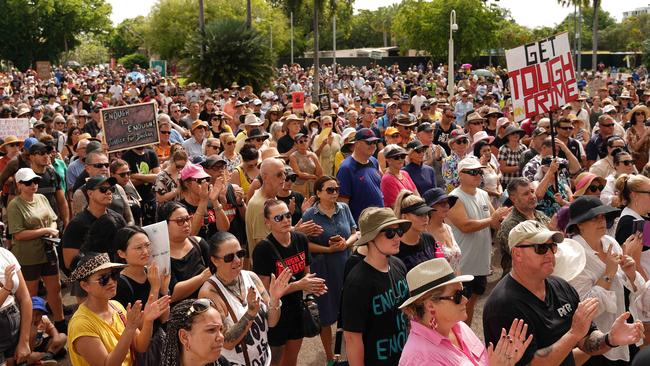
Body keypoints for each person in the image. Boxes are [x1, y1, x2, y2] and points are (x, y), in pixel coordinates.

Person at [484, 220, 645, 366]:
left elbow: (586, 340)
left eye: (552, 246)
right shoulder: (503, 305)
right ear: (517, 254)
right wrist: (574, 334)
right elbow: (532, 363)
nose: (549, 253)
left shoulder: (560, 286)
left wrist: (610, 339)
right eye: (541, 248)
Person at [398, 258, 532, 366]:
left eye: (463, 292)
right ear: (430, 306)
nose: (465, 299)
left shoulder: (459, 327)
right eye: (456, 296)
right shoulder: (420, 358)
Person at [565, 196, 645, 364]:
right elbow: (585, 311)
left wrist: (630, 272)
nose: (601, 221)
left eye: (602, 216)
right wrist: (608, 272)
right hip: (598, 342)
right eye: (594, 218)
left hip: (625, 331)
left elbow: (634, 287)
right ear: (579, 224)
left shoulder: (609, 242)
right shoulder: (574, 255)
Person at [253, 199, 327, 366]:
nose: (286, 220)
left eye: (287, 215)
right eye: (278, 218)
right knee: (274, 361)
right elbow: (265, 292)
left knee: (292, 359)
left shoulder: (300, 239)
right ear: (267, 222)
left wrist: (314, 285)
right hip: (276, 314)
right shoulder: (263, 249)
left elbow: (306, 273)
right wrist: (299, 285)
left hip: (297, 308)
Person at [199, 232, 291, 366]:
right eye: (229, 257)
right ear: (214, 260)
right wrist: (250, 313)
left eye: (240, 254)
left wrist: (275, 300)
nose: (237, 260)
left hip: (264, 360)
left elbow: (272, 322)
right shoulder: (209, 293)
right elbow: (227, 342)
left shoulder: (251, 277)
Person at [66, 252, 170, 366]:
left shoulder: (116, 306)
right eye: (103, 279)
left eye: (114, 275)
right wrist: (130, 328)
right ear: (85, 285)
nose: (111, 282)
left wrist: (148, 321)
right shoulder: (81, 324)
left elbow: (140, 346)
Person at [342, 207, 411, 366]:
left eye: (398, 231)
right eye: (389, 233)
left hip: (404, 358)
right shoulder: (357, 282)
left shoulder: (398, 265)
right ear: (371, 238)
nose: (397, 238)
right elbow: (352, 338)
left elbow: (408, 315)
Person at [446, 157, 510, 325]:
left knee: (471, 302)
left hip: (480, 261)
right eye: (473, 172)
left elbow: (495, 220)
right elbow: (465, 226)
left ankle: (465, 340)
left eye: (479, 171)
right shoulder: (454, 197)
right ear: (460, 174)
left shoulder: (482, 194)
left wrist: (507, 217)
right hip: (464, 264)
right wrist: (492, 220)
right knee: (459, 305)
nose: (478, 175)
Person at [301, 176, 358, 362]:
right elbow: (304, 243)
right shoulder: (310, 215)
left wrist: (345, 244)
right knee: (325, 315)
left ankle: (353, 351)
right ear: (318, 193)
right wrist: (328, 249)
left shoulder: (345, 208)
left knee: (350, 312)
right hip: (323, 268)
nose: (335, 193)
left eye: (336, 189)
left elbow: (354, 232)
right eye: (330, 190)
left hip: (345, 265)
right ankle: (329, 356)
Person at [7, 168, 65, 331]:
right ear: (19, 185)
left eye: (36, 181)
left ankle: (60, 322)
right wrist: (46, 231)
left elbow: (53, 218)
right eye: (28, 182)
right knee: (31, 293)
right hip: (28, 256)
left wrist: (52, 229)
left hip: (48, 251)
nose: (33, 185)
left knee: (55, 287)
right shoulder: (14, 205)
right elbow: (18, 234)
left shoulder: (41, 198)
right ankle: (32, 327)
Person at [158, 201, 212, 304]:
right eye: (180, 221)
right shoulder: (161, 255)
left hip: (206, 304)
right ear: (165, 224)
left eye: (188, 219)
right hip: (179, 312)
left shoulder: (199, 243)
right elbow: (171, 294)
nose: (186, 224)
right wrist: (202, 277)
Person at [496, 178, 551, 275]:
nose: (532, 196)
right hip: (521, 280)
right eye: (526, 194)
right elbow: (524, 257)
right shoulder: (510, 225)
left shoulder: (541, 215)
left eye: (532, 191)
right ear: (513, 199)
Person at [160, 298, 229, 366]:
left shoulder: (222, 363)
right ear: (184, 337)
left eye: (220, 329)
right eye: (211, 330)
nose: (221, 337)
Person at [336, 128, 384, 222]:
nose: (373, 146)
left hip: (379, 220)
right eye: (369, 143)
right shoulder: (346, 168)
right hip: (362, 225)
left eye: (375, 142)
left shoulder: (374, 161)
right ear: (357, 143)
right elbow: (343, 204)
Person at [178, 163, 229, 240]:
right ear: (187, 184)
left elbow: (224, 229)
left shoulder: (211, 201)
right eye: (200, 181)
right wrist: (203, 201)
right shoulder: (180, 208)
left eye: (207, 180)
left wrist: (215, 201)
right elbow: (192, 233)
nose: (205, 184)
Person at [0, 245, 32, 365]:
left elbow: (25, 297)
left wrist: (24, 341)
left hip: (14, 321)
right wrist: (7, 287)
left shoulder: (5, 254)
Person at [613, 174, 650, 278]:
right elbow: (634, 266)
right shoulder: (630, 223)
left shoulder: (639, 219)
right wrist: (647, 291)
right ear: (634, 195)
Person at [393, 190, 436, 271]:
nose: (425, 218)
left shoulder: (429, 238)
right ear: (404, 217)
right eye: (419, 214)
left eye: (426, 213)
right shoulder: (395, 246)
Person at [26, 296, 67, 364]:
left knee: (63, 336)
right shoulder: (24, 324)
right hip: (29, 349)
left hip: (41, 345)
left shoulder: (44, 320)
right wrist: (33, 332)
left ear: (42, 314)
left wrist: (56, 337)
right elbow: (26, 348)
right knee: (29, 357)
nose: (35, 317)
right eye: (32, 314)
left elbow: (52, 329)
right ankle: (46, 357)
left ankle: (48, 356)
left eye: (38, 314)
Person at [289, 132, 323, 198]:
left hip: (313, 187)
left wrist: (314, 158)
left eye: (305, 141)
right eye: (301, 142)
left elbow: (320, 173)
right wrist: (313, 177)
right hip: (300, 188)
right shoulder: (293, 156)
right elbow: (298, 174)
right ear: (296, 144)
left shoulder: (312, 155)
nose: (304, 143)